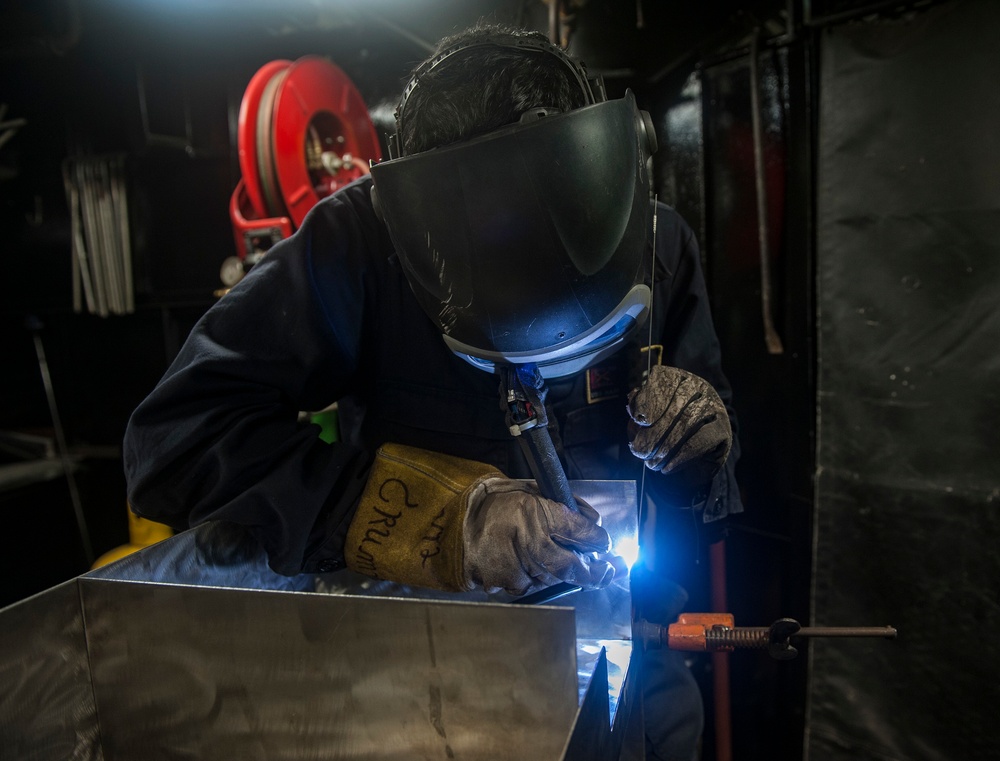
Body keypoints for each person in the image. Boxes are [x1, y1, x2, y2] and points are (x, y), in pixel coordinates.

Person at [123, 22, 742, 761]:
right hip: (432, 677)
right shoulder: (358, 246)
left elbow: (712, 490)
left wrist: (703, 448)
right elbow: (175, 441)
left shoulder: (660, 243)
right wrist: (446, 518)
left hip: (634, 653)